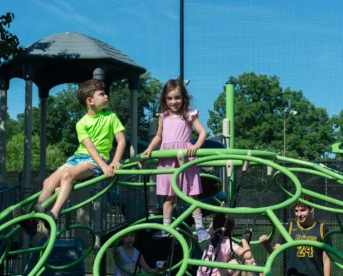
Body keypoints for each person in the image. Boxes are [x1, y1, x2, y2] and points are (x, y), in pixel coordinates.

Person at [14, 79, 126, 235]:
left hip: (96, 159)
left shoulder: (110, 116)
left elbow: (121, 140)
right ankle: (34, 220)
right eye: (102, 94)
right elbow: (88, 146)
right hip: (78, 158)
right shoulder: (81, 123)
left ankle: (53, 214)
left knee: (67, 176)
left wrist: (113, 162)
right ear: (90, 100)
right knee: (48, 181)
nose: (106, 96)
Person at [142, 79, 209, 242]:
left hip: (184, 157)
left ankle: (199, 227)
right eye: (169, 98)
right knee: (168, 195)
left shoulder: (188, 114)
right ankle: (166, 228)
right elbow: (159, 135)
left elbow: (202, 132)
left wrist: (196, 146)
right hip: (167, 157)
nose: (173, 102)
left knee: (192, 194)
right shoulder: (163, 116)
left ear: (183, 98)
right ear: (165, 99)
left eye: (177, 98)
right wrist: (150, 148)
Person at [259, 195, 331, 276]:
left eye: (303, 210)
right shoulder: (289, 227)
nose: (299, 214)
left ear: (311, 209)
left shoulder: (321, 228)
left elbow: (326, 259)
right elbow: (274, 251)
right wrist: (266, 244)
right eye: (296, 211)